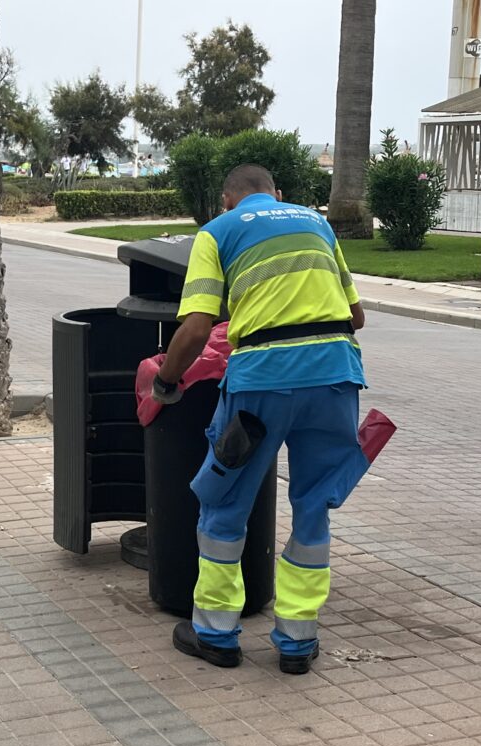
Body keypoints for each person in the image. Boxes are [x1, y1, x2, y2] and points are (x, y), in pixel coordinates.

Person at [153, 164, 368, 676]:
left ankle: (216, 634)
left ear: (228, 201)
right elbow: (357, 316)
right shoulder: (316, 223)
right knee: (314, 507)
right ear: (278, 192)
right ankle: (297, 641)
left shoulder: (218, 231)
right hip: (336, 376)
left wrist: (166, 381)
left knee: (226, 502)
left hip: (262, 383)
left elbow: (198, 325)